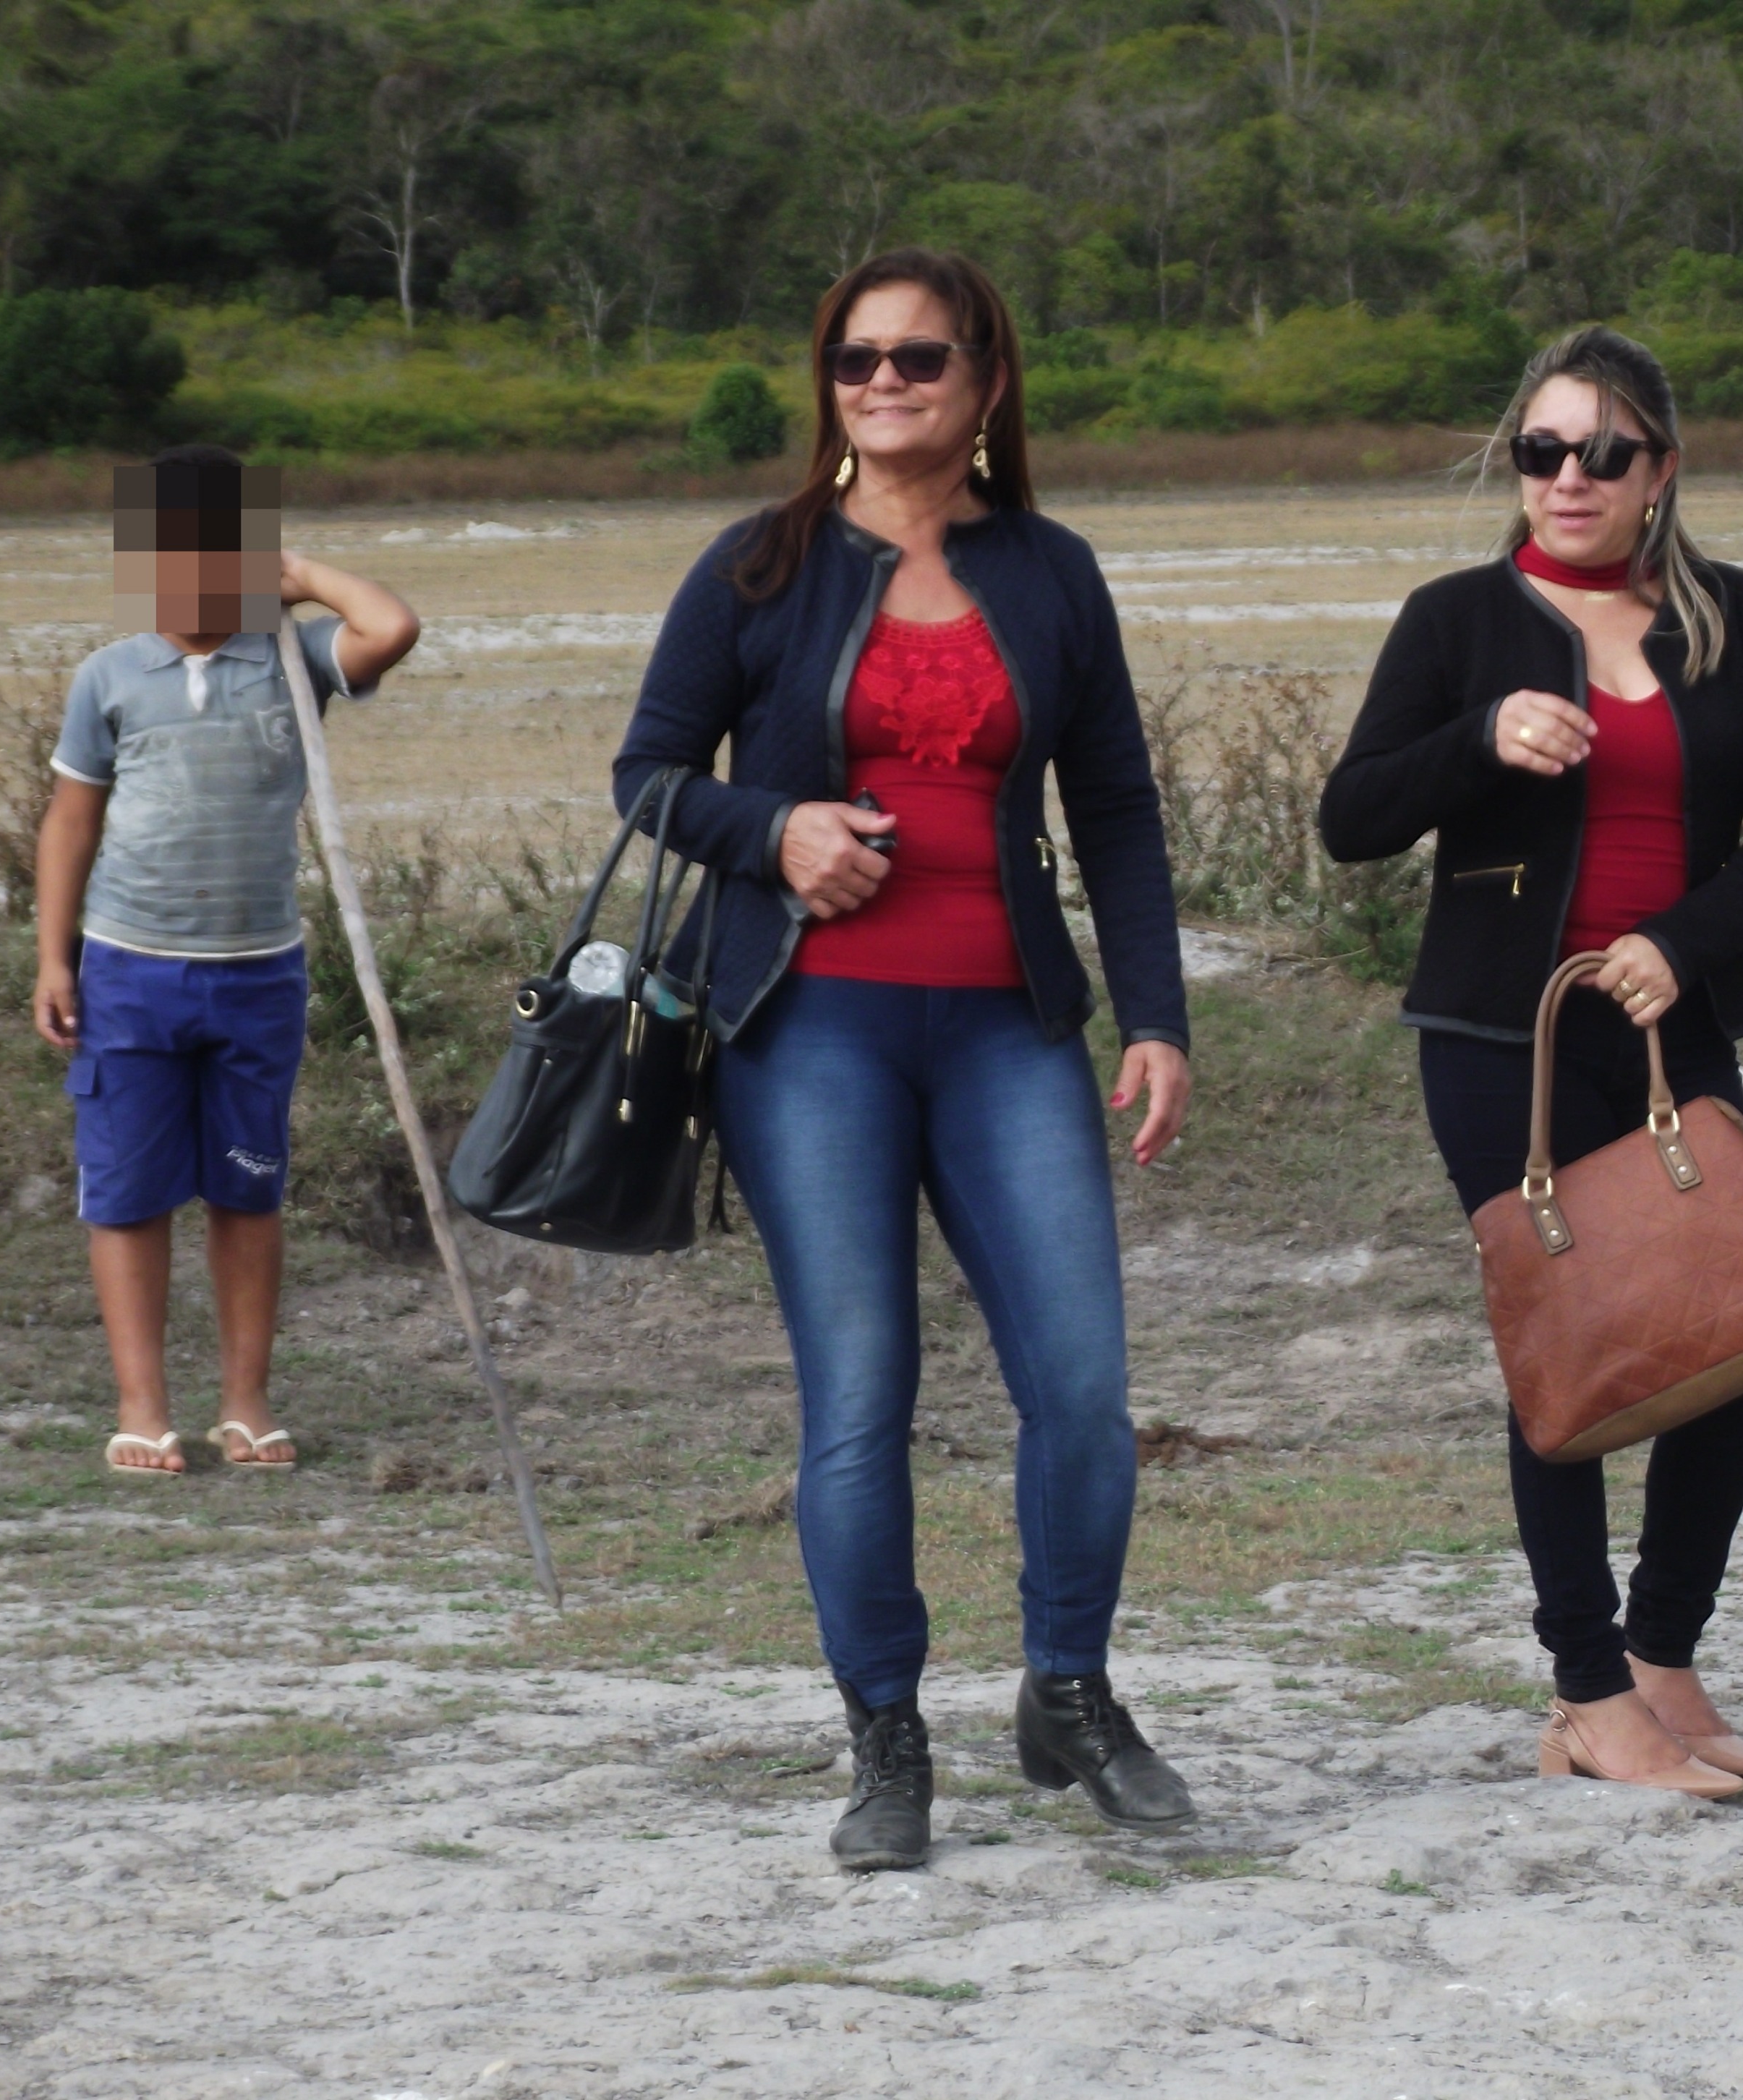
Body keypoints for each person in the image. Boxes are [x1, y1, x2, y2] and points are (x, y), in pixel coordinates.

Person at [613, 248, 1195, 1872]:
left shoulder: (1053, 572)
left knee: (1081, 1390)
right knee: (860, 1402)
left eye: (919, 358)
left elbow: (1121, 812)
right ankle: (885, 1737)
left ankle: (1069, 1695)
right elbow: (648, 774)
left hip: (1007, 1029)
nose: (883, 381)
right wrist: (775, 826)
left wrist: (1155, 1017)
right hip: (810, 1037)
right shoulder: (758, 567)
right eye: (856, 359)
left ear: (985, 383)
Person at [1321, 327, 1743, 1797]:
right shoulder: (1457, 621)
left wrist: (1686, 938)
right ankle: (1588, 1687)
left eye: (1601, 453)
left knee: (1733, 1325)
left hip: (1671, 1023)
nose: (1567, 477)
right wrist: (1478, 739)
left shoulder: (1730, 617)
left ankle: (1664, 1653)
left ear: (1659, 471)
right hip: (1504, 1036)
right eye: (1540, 450)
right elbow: (1352, 815)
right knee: (1570, 1339)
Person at [30, 443, 422, 1478]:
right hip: (128, 969)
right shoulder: (110, 676)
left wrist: (295, 573)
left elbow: (395, 627)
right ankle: (142, 1406)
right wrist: (52, 958)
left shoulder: (291, 658)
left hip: (258, 972)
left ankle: (245, 1402)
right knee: (127, 1190)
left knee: (248, 1189)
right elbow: (70, 824)